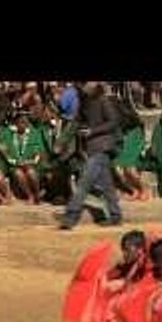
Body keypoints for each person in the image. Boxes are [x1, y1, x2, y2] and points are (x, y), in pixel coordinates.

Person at [58, 82, 122, 229]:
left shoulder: (103, 100)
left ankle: (70, 217)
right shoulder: (84, 101)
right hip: (93, 148)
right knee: (107, 186)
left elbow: (114, 121)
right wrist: (62, 141)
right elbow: (75, 123)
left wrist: (92, 131)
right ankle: (115, 215)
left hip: (103, 147)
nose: (83, 86)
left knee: (84, 182)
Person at [3, 110, 45, 203]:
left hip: (30, 163)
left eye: (26, 122)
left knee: (31, 172)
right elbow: (4, 152)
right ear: (16, 123)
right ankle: (30, 195)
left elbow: (39, 153)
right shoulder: (8, 133)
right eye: (21, 122)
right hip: (14, 164)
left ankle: (37, 195)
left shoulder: (34, 133)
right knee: (18, 173)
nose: (24, 124)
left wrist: (30, 162)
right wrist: (14, 161)